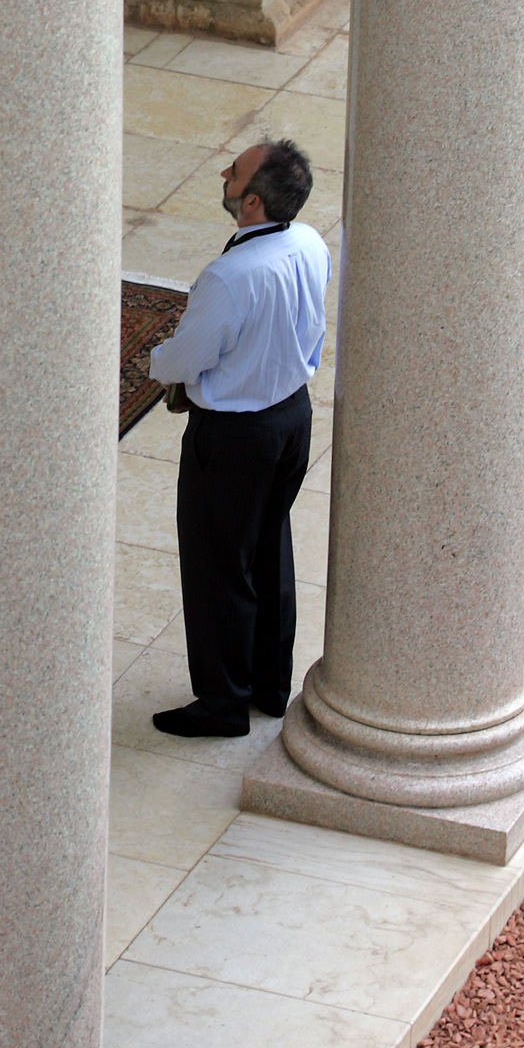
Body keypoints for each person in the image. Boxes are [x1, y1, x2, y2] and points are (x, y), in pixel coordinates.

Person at [147, 138, 330, 739]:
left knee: (217, 567)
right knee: (270, 547)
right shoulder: (308, 243)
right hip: (290, 419)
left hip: (232, 437)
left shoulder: (228, 277)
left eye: (235, 171)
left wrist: (157, 361)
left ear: (251, 202)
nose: (223, 171)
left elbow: (186, 359)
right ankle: (270, 685)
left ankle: (223, 703)